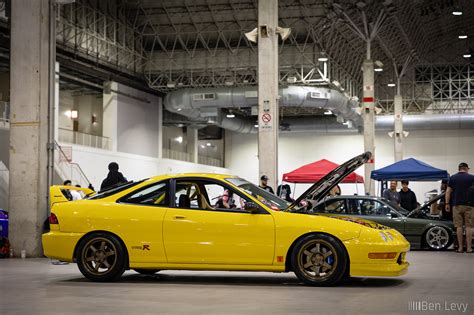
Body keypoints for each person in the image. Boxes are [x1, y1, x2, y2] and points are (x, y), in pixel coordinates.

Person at [445, 162, 474, 253]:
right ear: (466, 168)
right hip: (470, 205)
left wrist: (447, 203)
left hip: (456, 205)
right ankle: (469, 248)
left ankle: (460, 248)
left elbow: (448, 191)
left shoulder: (453, 178)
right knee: (469, 226)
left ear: (459, 169)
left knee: (459, 227)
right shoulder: (472, 177)